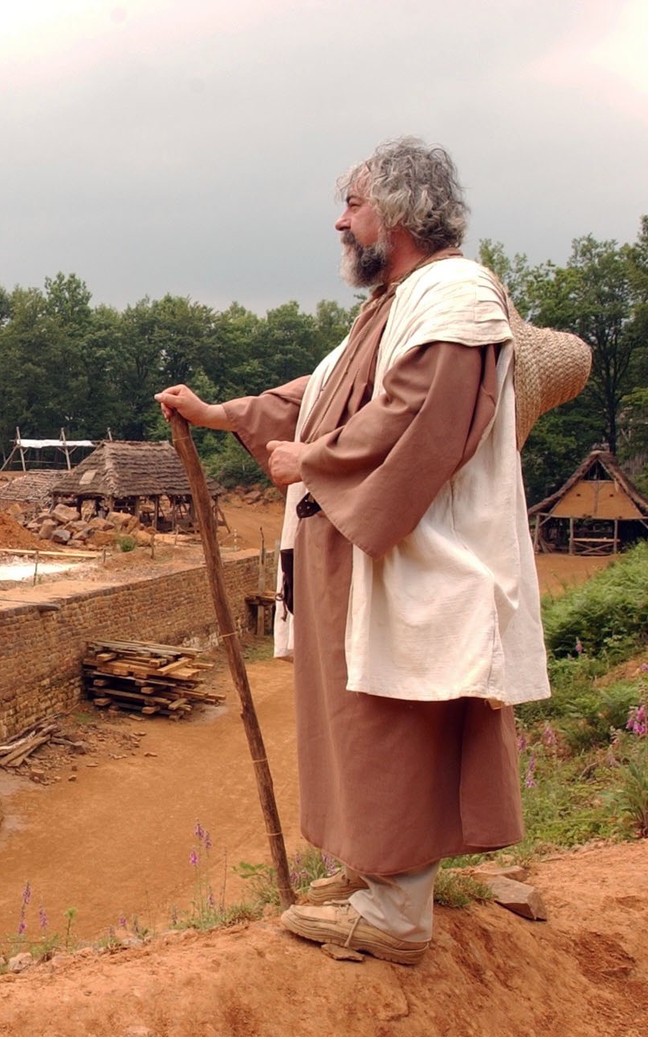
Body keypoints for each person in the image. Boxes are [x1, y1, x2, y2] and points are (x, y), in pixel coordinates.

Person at [155, 137, 549, 965]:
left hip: (412, 556)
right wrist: (221, 413)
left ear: (400, 211)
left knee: (390, 718)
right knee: (354, 716)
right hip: (363, 556)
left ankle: (399, 914)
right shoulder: (393, 303)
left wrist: (315, 461)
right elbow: (326, 393)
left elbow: (417, 415)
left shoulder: (455, 297)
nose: (340, 221)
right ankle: (379, 873)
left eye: (354, 204)